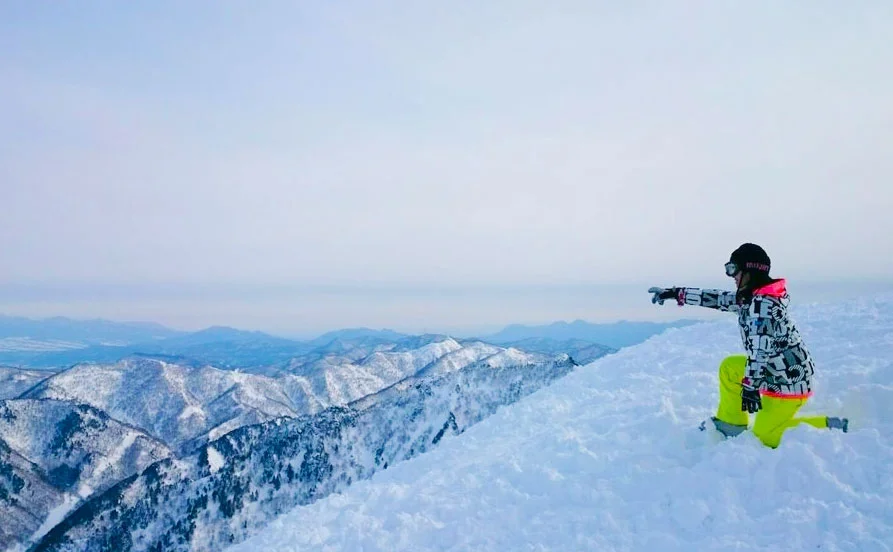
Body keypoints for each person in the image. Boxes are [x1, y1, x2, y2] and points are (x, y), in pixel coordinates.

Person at [649, 243, 847, 448]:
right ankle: (731, 423)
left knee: (765, 437)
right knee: (730, 368)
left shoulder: (763, 306)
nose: (731, 275)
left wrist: (751, 387)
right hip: (774, 371)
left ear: (751, 270)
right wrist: (675, 293)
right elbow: (716, 298)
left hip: (789, 381)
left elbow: (760, 350)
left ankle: (830, 427)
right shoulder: (751, 298)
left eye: (733, 269)